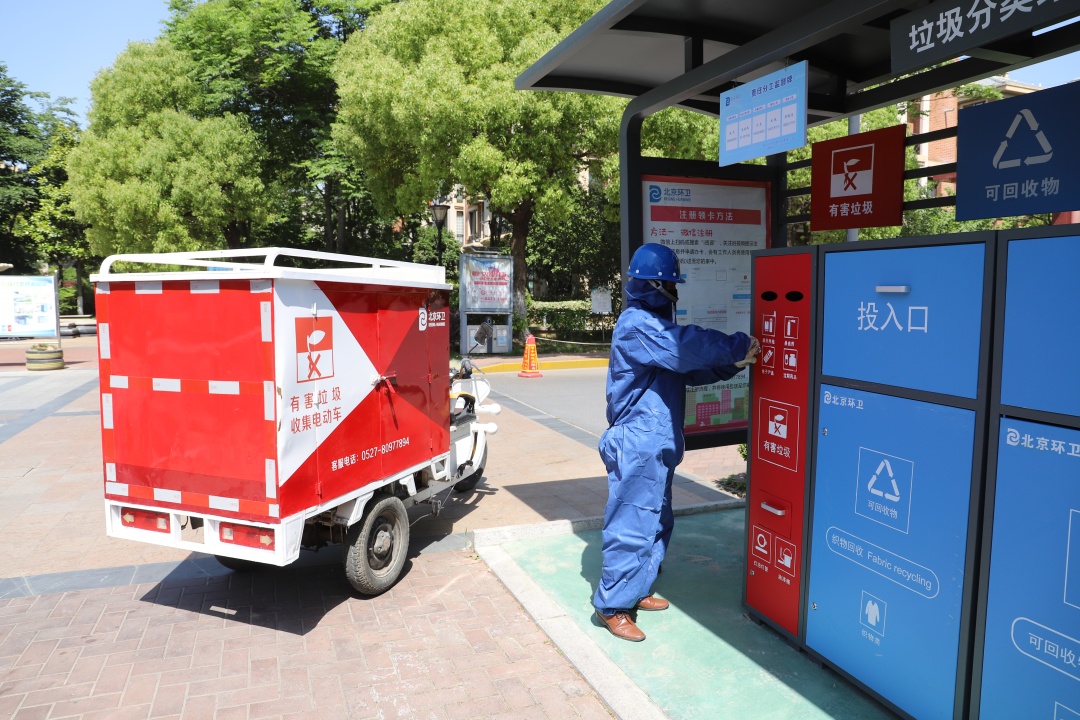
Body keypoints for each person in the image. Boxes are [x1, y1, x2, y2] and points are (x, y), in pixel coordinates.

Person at [593, 243, 759, 642]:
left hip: (656, 442)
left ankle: (637, 588)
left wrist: (732, 364)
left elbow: (685, 370)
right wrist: (737, 345)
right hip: (637, 442)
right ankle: (612, 606)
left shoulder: (653, 328)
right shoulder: (638, 325)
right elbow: (685, 345)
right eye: (671, 285)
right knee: (632, 524)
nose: (675, 293)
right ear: (654, 286)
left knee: (656, 520)